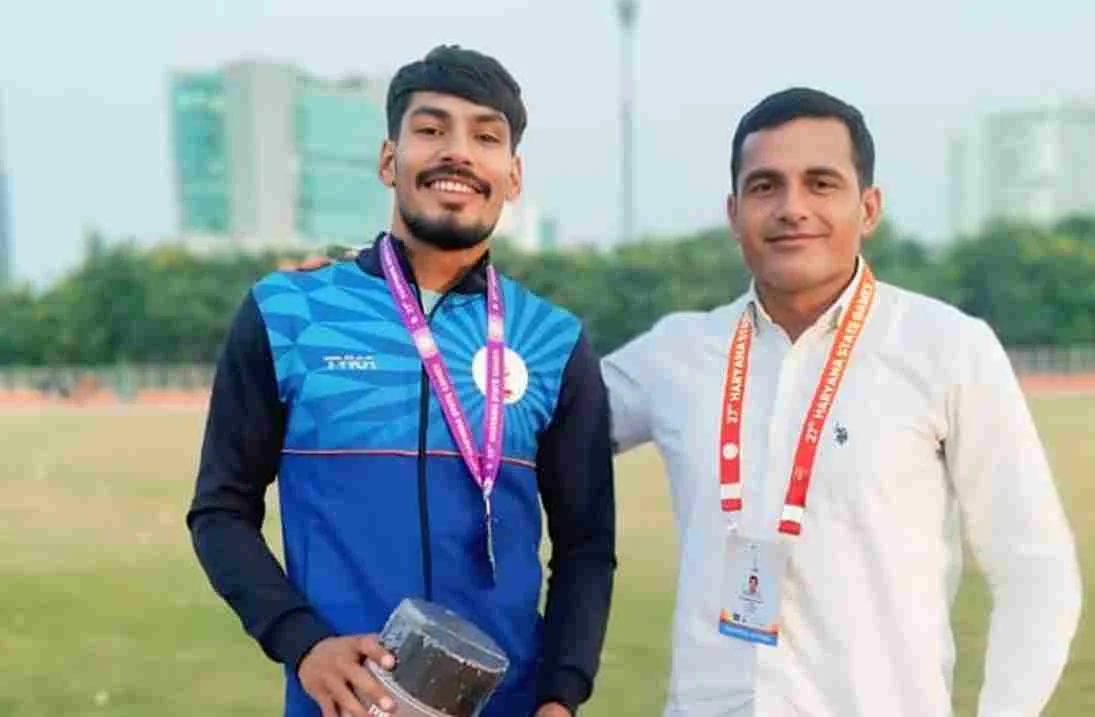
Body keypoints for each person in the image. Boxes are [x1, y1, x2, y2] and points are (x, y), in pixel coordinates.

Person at [602, 87, 1082, 716]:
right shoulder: (676, 354)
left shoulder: (947, 348)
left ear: (869, 207)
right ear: (734, 212)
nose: (791, 208)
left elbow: (1035, 569)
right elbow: (523, 424)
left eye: (821, 183)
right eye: (766, 186)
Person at [186, 45, 616, 717]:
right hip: (342, 702)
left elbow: (586, 545)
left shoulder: (552, 340)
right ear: (390, 160)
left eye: (485, 137)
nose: (458, 152)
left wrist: (562, 696)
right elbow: (220, 511)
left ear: (512, 175)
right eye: (431, 129)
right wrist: (303, 643)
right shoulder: (289, 314)